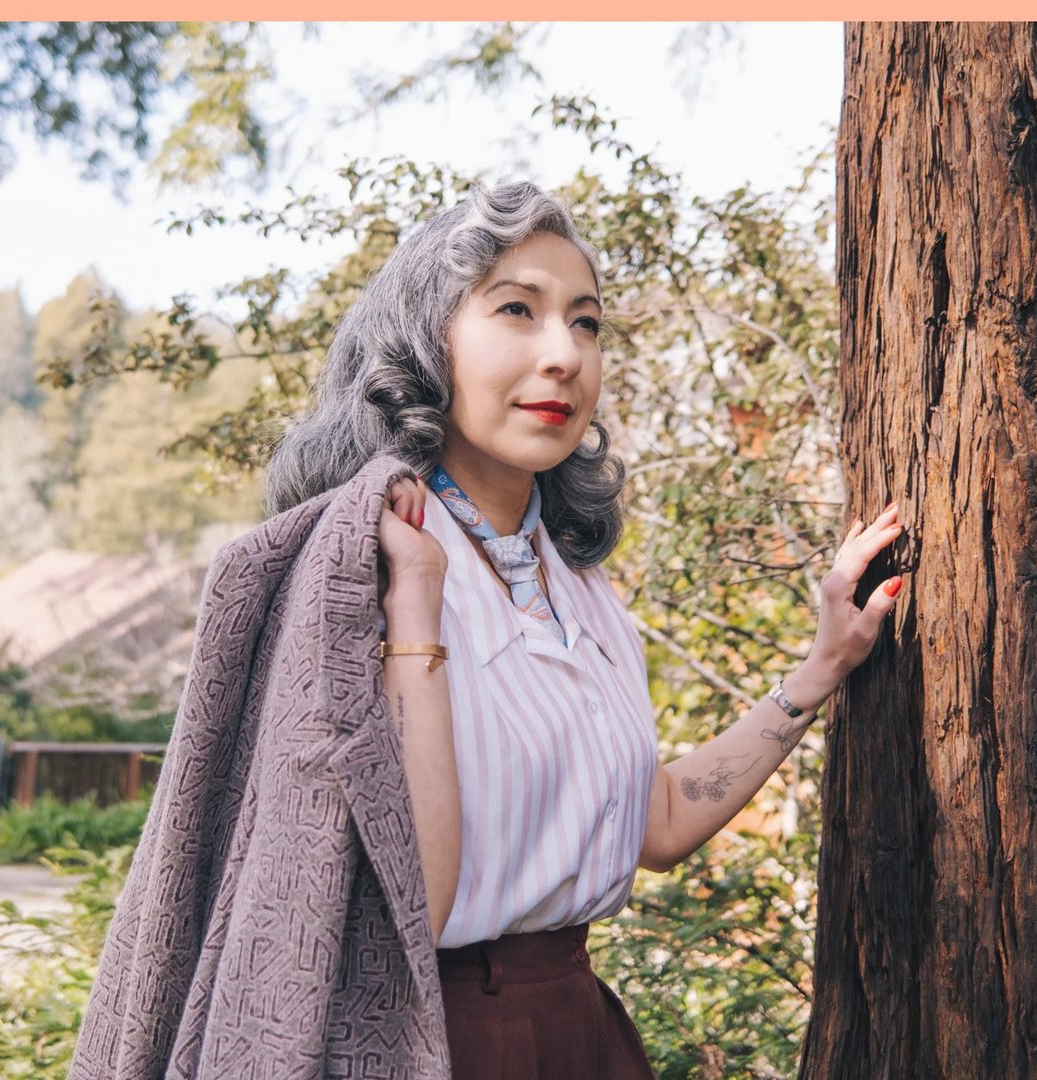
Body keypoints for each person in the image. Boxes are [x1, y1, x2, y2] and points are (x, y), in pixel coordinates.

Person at [260, 179, 906, 1078]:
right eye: (517, 310)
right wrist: (413, 611)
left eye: (588, 322)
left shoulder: (578, 585)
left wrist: (825, 662)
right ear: (424, 341)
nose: (565, 354)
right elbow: (418, 908)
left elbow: (662, 825)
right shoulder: (361, 560)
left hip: (580, 1030)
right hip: (431, 1047)